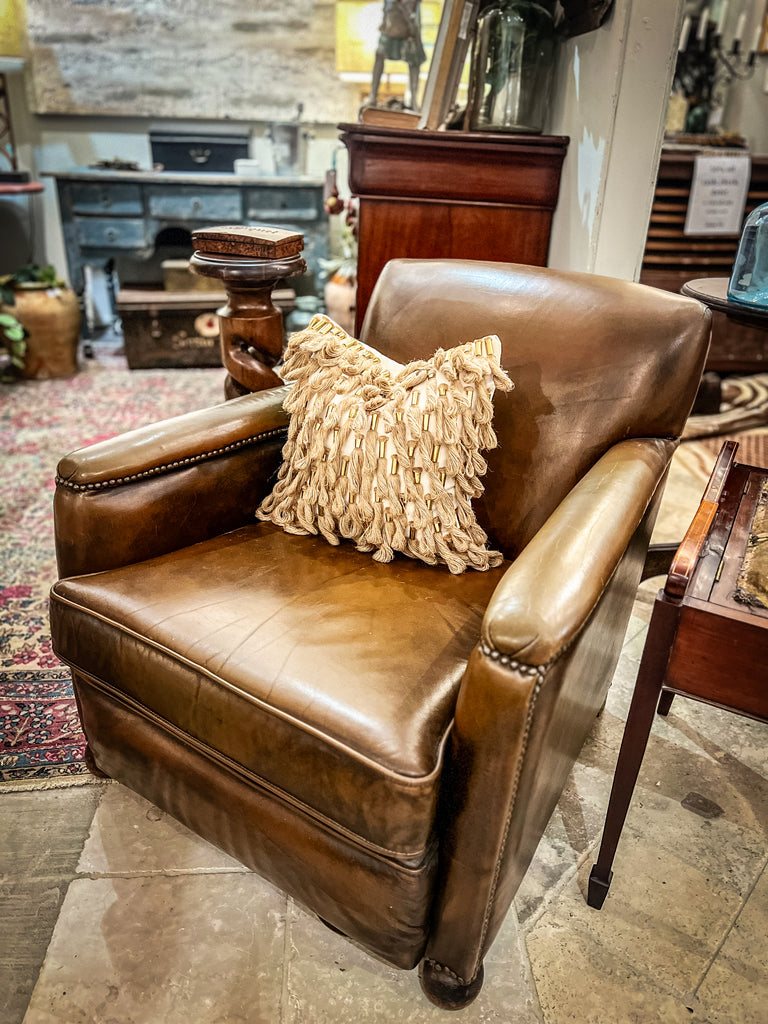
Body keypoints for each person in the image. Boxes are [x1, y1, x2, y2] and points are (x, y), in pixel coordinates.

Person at [369, 0, 427, 111]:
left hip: (410, 18)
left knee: (415, 58)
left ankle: (413, 100)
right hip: (393, 15)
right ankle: (373, 96)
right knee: (380, 53)